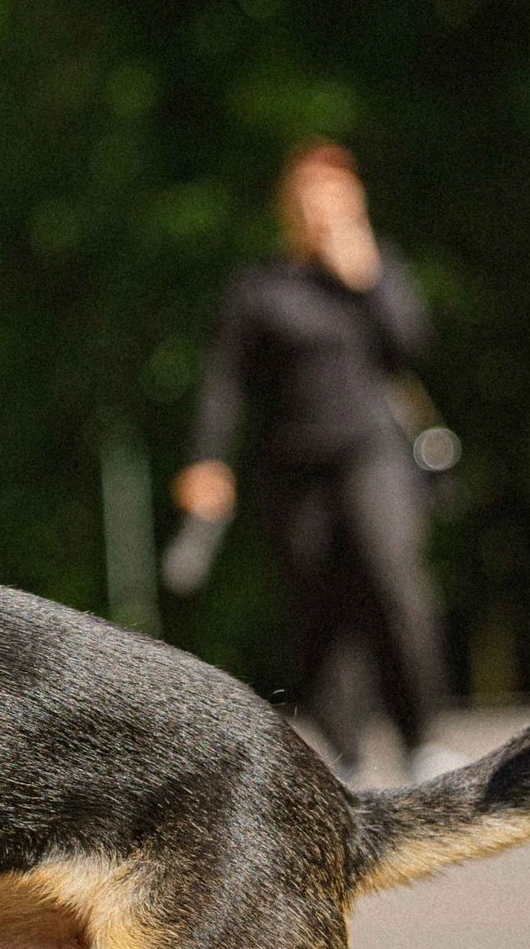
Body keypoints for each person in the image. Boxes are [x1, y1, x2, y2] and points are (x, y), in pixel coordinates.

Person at [173, 139, 456, 789]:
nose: (321, 207)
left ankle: (421, 739)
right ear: (287, 208)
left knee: (395, 583)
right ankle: (346, 748)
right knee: (316, 603)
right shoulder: (260, 288)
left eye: (334, 195)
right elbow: (225, 382)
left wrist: (365, 278)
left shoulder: (374, 273)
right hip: (290, 465)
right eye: (308, 196)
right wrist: (207, 461)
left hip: (372, 453)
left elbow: (412, 348)